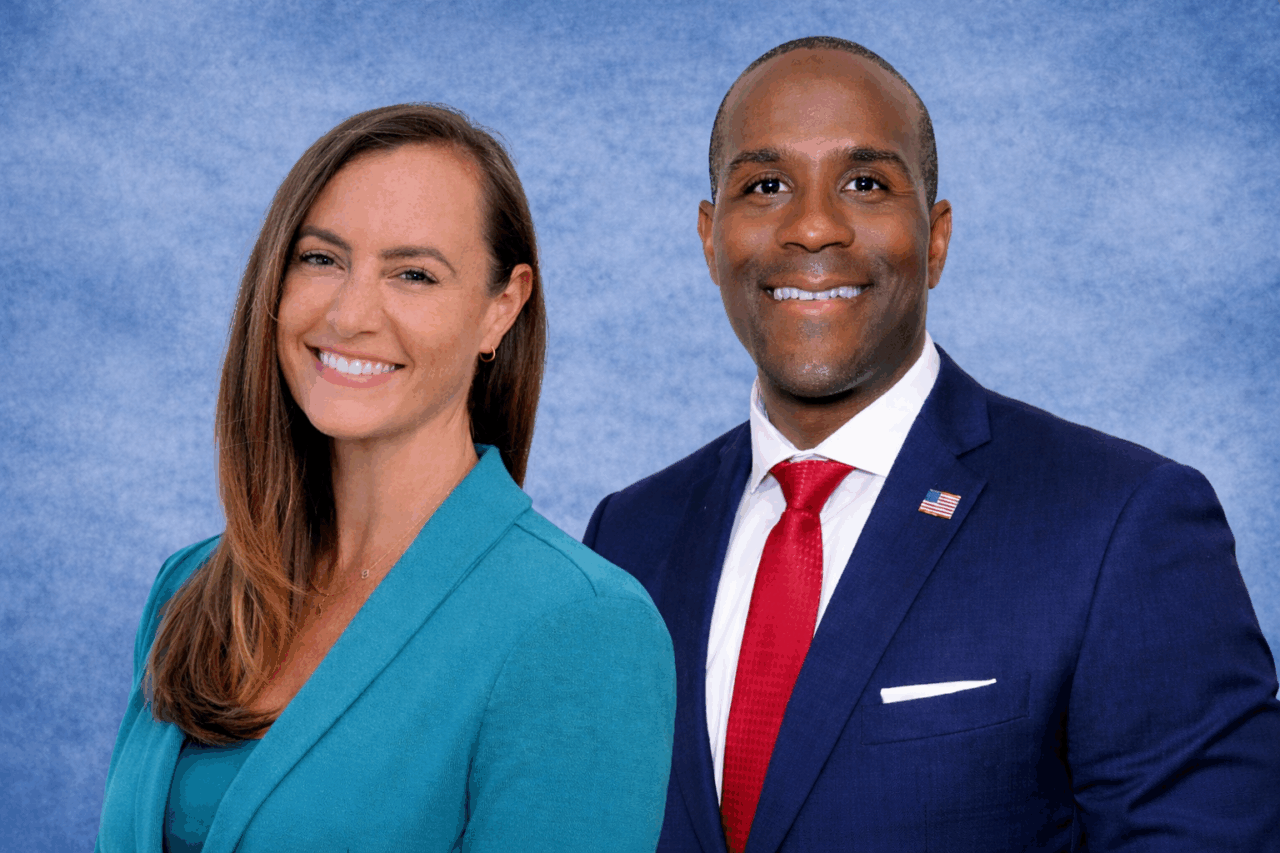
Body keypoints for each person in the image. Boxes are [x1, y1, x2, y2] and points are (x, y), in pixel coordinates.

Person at [584, 37, 1280, 852]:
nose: (813, 226)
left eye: (866, 183)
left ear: (936, 238)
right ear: (711, 239)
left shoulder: (1121, 524)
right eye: (766, 186)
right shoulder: (628, 539)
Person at [96, 103, 675, 853]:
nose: (349, 314)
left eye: (413, 274)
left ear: (501, 308)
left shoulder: (580, 626)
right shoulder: (193, 587)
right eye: (320, 259)